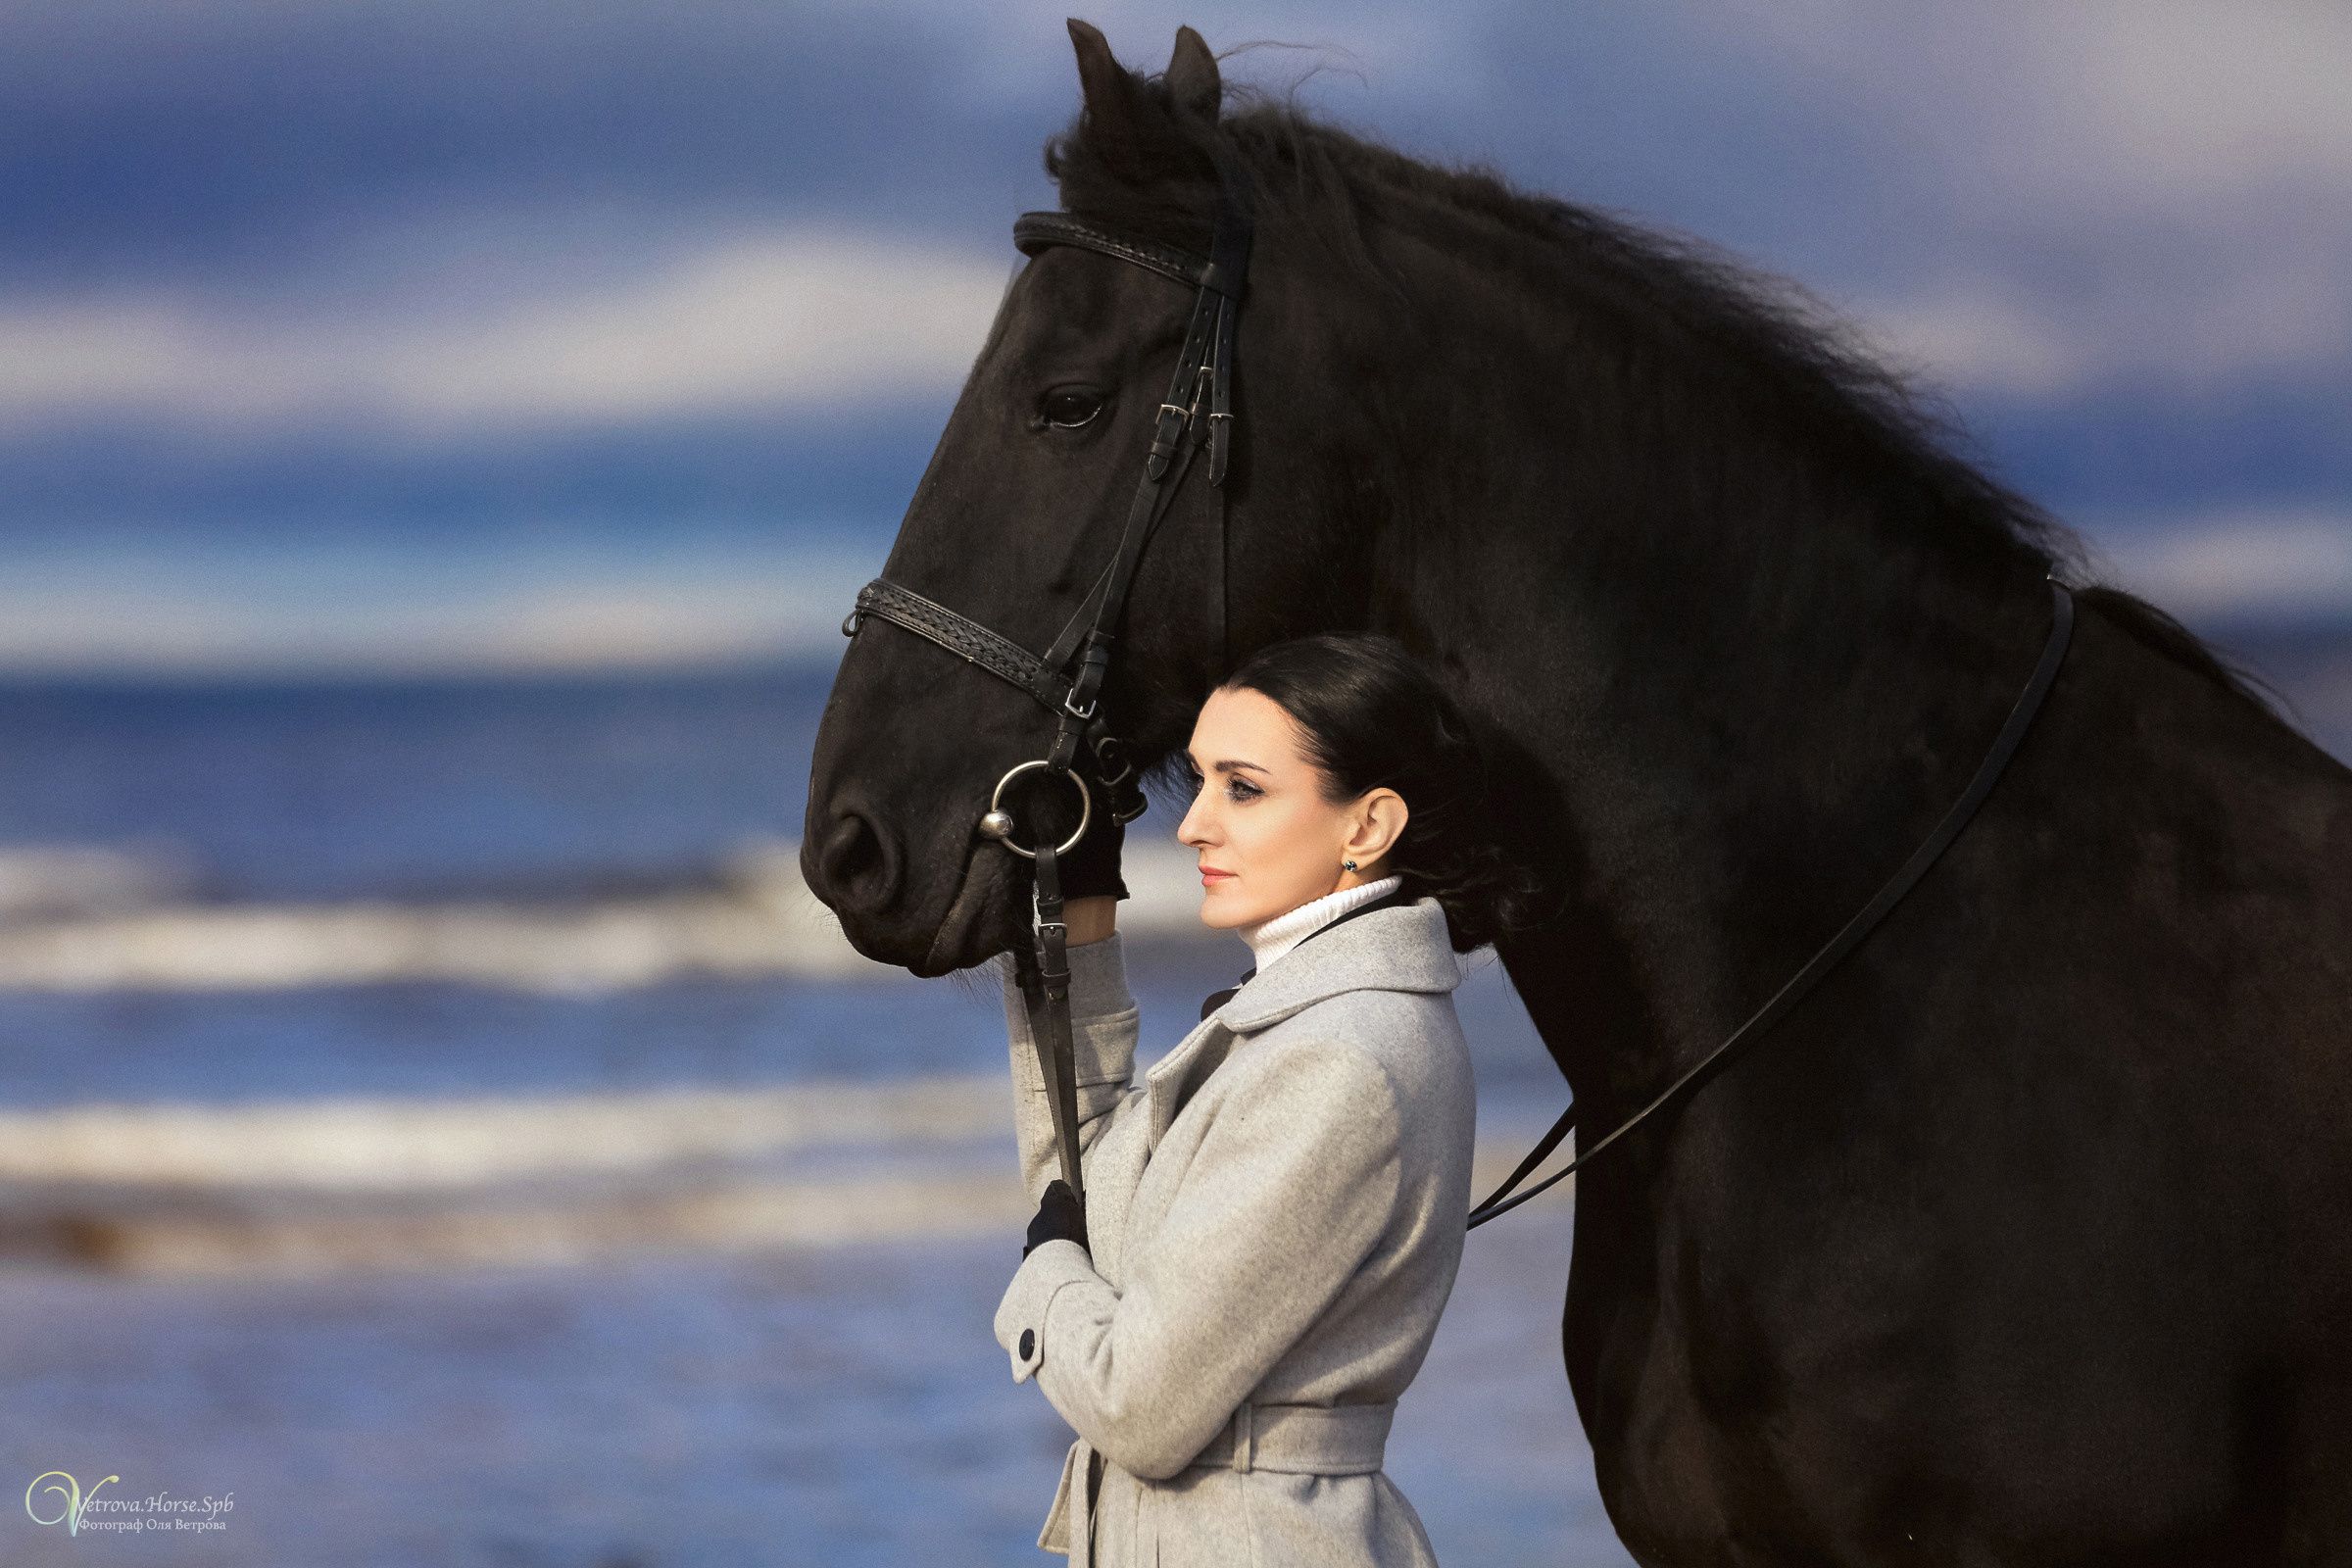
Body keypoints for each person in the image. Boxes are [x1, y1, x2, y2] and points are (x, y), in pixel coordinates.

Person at [992, 632, 1524, 1566]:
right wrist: (1072, 926)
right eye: (1197, 781)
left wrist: (1043, 1277)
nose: (1193, 825)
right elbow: (1086, 1205)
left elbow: (1138, 1404)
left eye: (1242, 787)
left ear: (1367, 826)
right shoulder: (1305, 1018)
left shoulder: (1340, 1059)